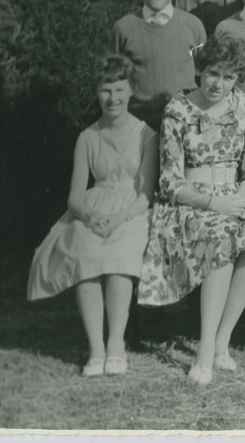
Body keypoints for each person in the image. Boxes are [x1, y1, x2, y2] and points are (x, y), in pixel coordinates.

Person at [138, 34, 245, 385]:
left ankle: (221, 340)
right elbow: (169, 182)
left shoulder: (243, 106)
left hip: (235, 196)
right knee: (222, 236)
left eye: (229, 77)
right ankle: (203, 349)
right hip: (190, 203)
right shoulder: (179, 109)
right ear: (200, 70)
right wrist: (214, 203)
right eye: (213, 73)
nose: (219, 84)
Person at [27, 55, 158, 377]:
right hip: (93, 210)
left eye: (119, 89)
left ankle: (115, 344)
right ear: (97, 92)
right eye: (105, 90)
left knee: (120, 255)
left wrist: (119, 218)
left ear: (131, 90)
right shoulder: (87, 137)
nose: (113, 98)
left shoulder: (147, 135)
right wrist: (90, 215)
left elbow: (146, 194)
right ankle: (96, 348)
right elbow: (74, 197)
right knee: (84, 251)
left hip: (132, 212)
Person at [113, 0, 206, 130]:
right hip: (138, 124)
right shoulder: (124, 28)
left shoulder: (193, 26)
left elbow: (203, 74)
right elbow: (114, 78)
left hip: (183, 123)